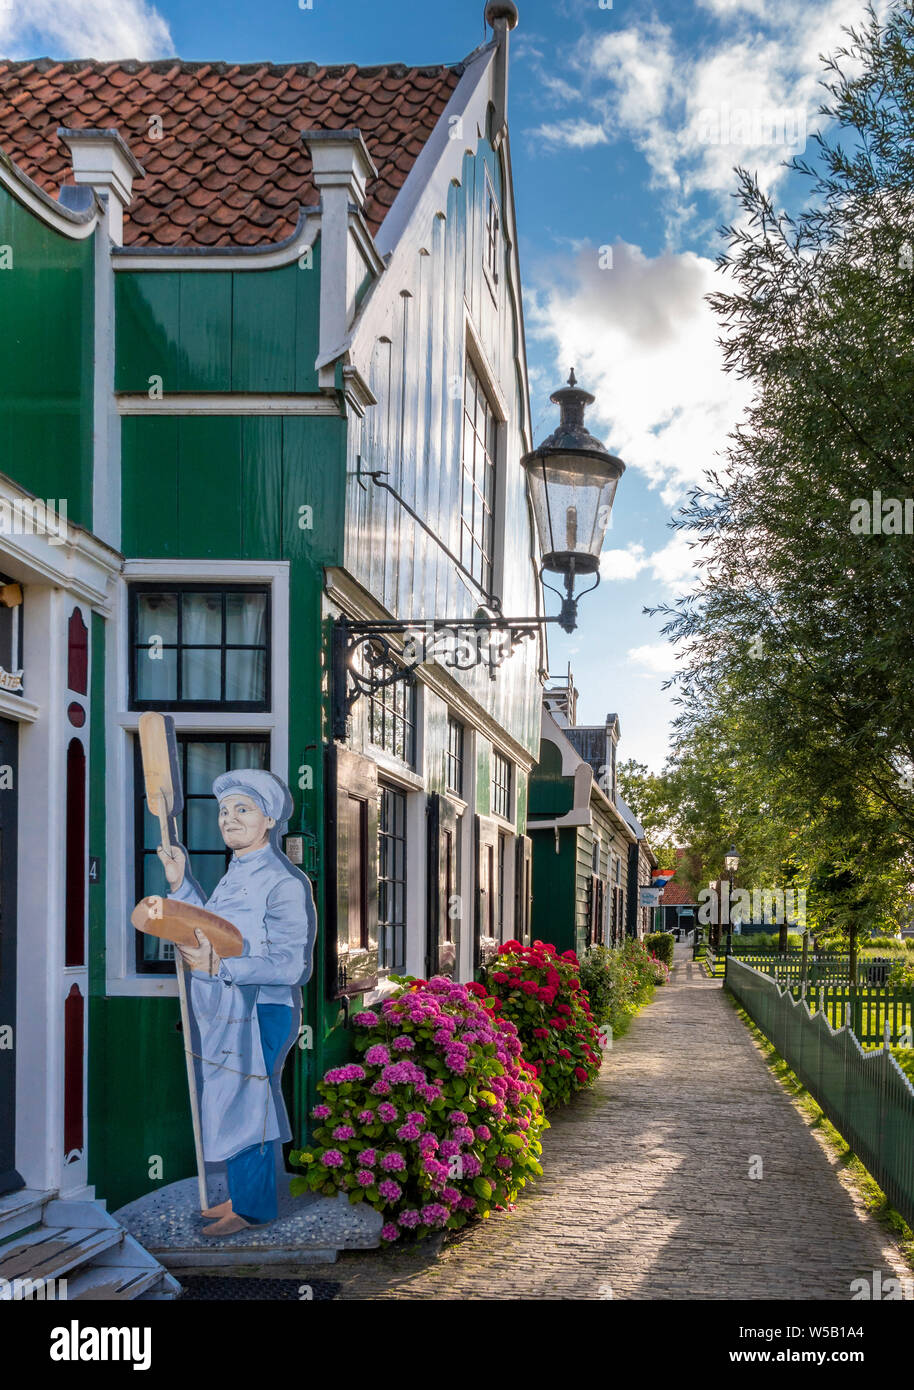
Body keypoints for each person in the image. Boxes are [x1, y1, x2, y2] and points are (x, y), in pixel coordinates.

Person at [157, 768, 316, 1237]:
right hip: (225, 1007)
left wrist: (222, 969)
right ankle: (243, 1198)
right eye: (224, 811)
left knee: (248, 1102)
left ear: (268, 819)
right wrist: (181, 883)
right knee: (235, 1099)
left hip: (262, 1009)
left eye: (242, 810)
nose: (228, 819)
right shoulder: (235, 875)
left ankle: (254, 1208)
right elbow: (208, 931)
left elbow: (289, 965)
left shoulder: (284, 883)